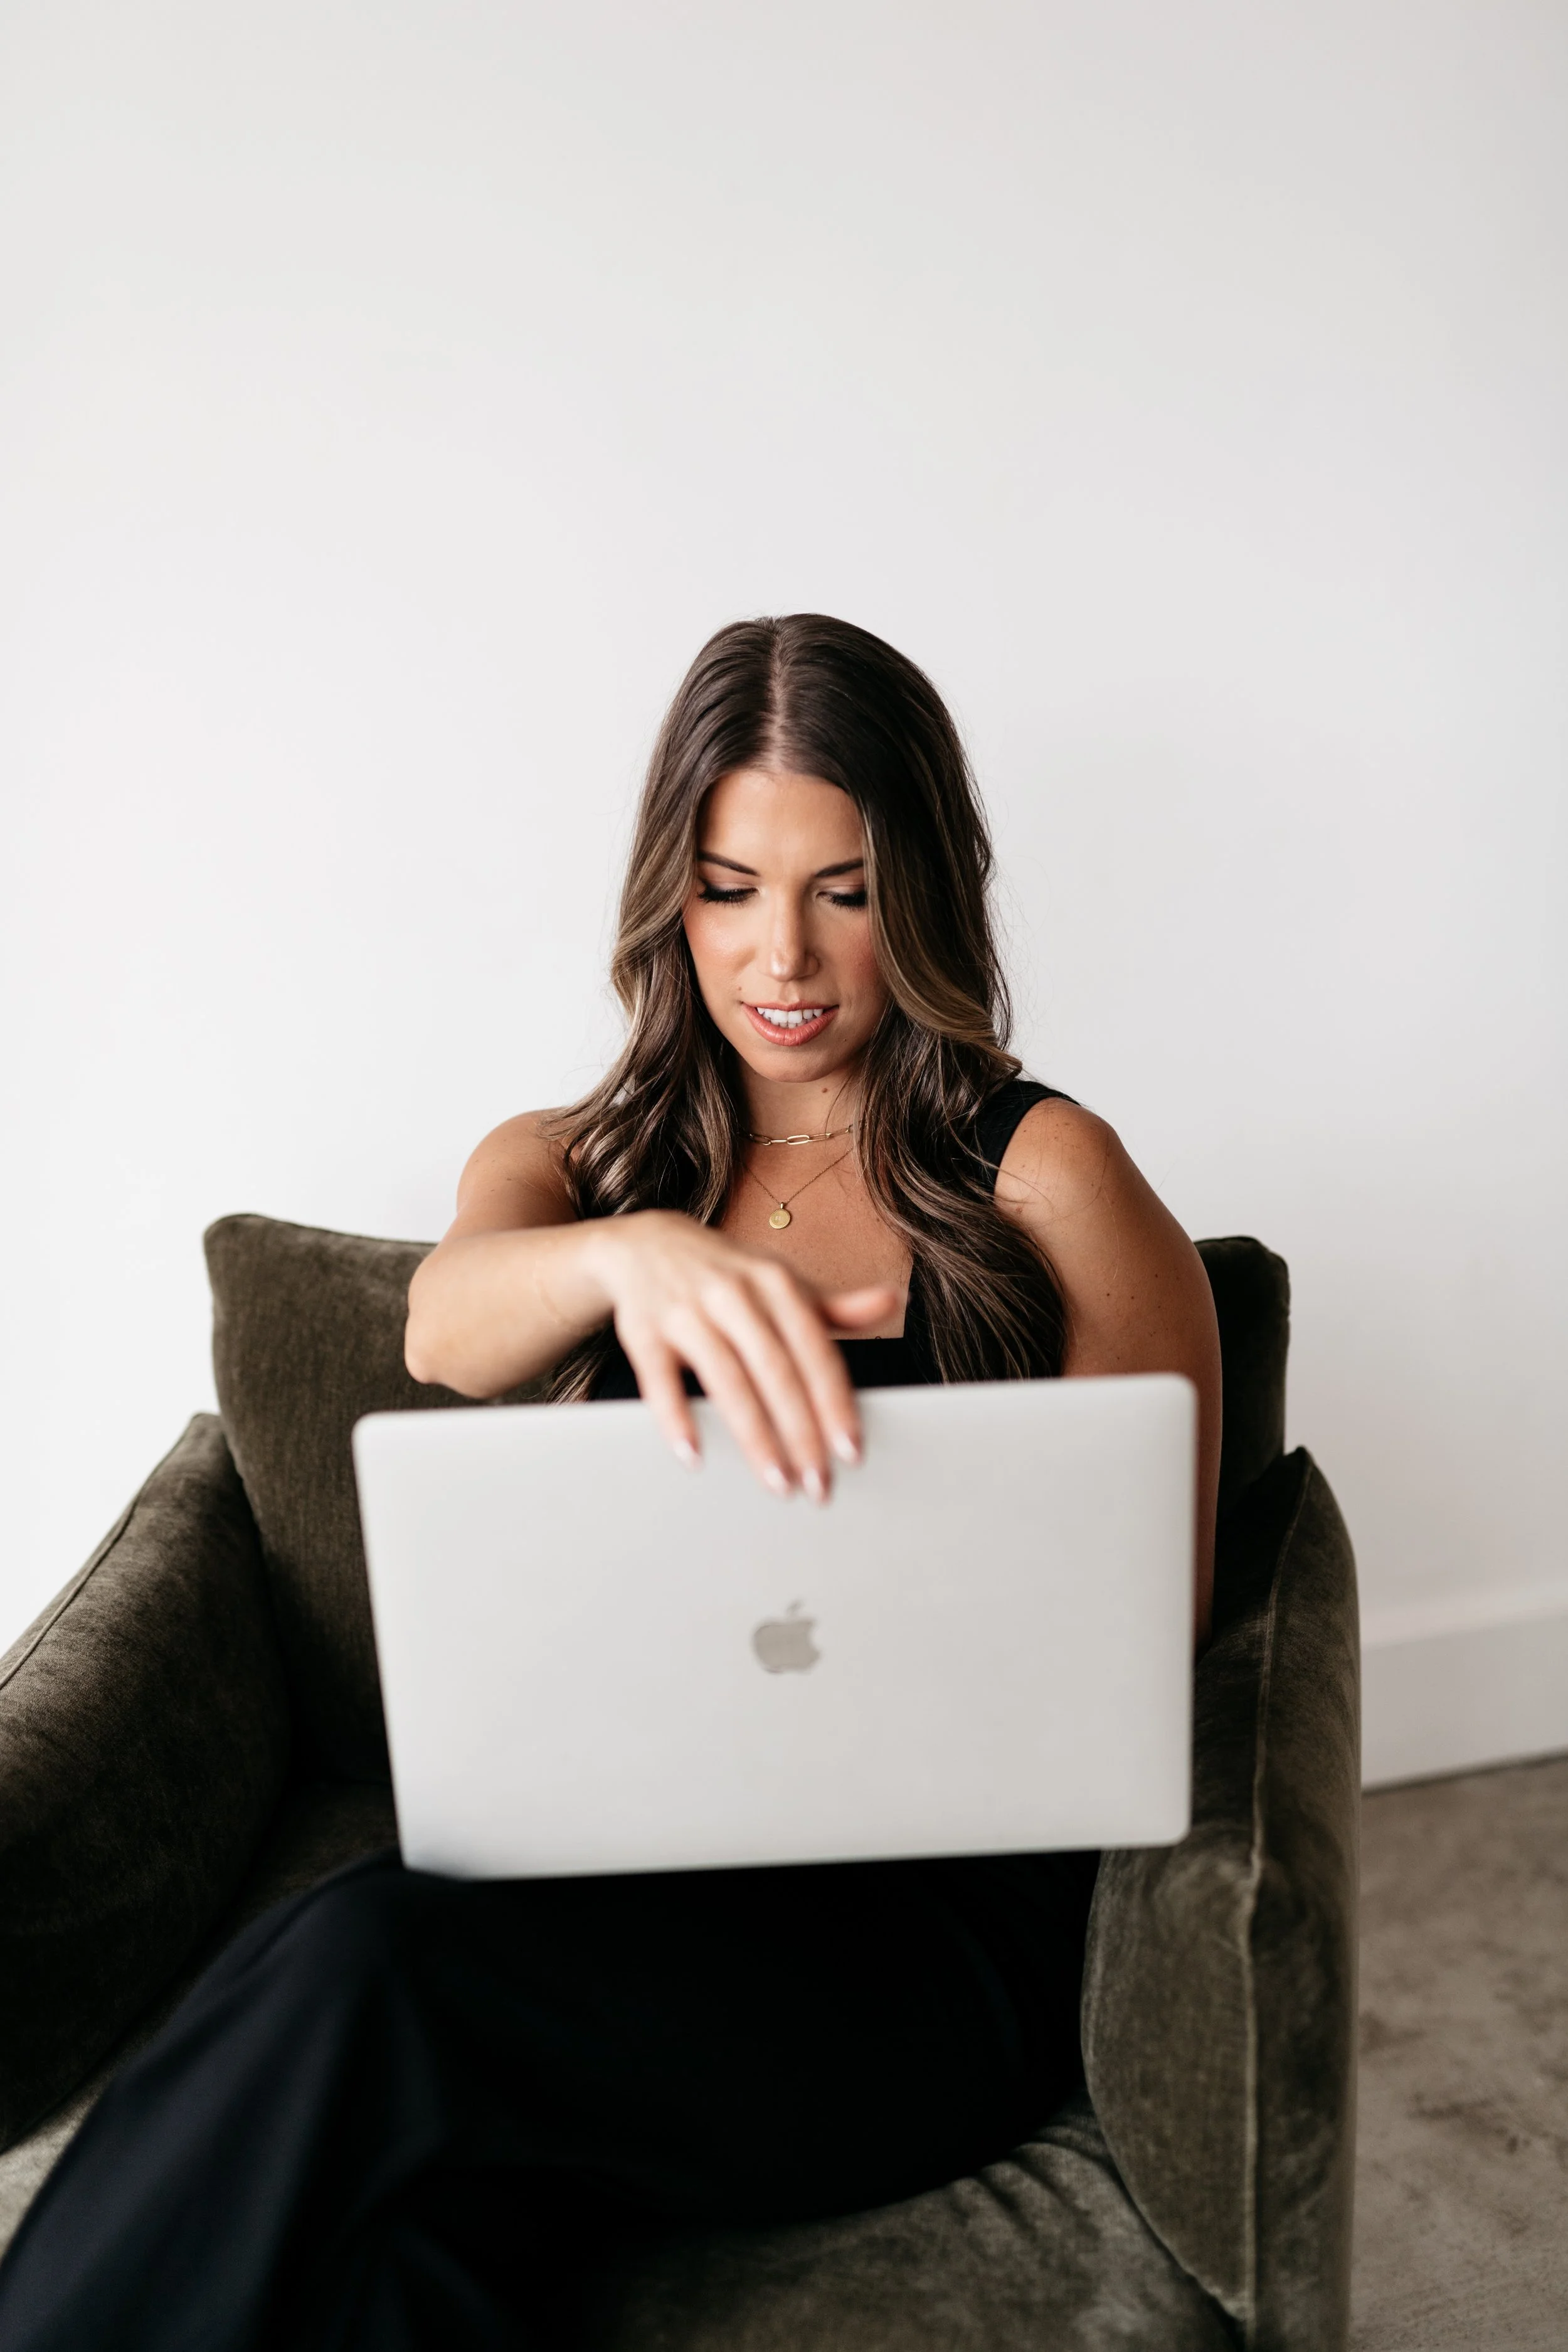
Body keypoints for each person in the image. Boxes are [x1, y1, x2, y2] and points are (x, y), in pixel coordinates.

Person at [0, 614, 1221, 2349]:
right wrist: (632, 1257)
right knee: (388, 2257)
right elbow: (447, 1326)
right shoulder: (573, 1163)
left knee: (364, 1957)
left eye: (844, 890)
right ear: (673, 894)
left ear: (927, 890)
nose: (779, 953)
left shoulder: (1048, 1178)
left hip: (922, 1960)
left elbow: (1139, 1633)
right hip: (615, 1906)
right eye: (729, 887)